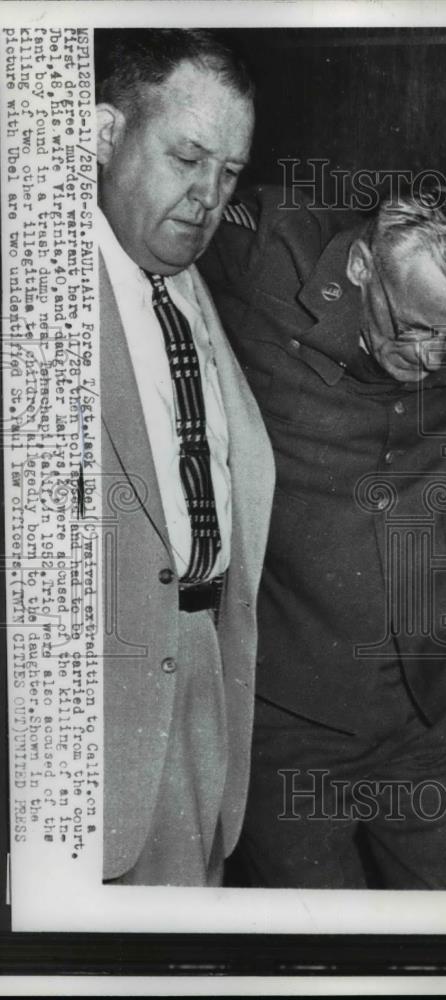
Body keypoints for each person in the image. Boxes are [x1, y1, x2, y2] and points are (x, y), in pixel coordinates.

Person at [198, 183, 446, 889]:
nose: (434, 357)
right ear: (365, 265)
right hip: (289, 726)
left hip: (435, 717)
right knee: (318, 965)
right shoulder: (263, 263)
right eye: (413, 327)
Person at [94, 29, 274, 886]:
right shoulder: (39, 290)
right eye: (187, 157)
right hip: (95, 717)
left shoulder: (195, 281)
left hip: (205, 674)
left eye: (229, 171)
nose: (209, 196)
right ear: (103, 135)